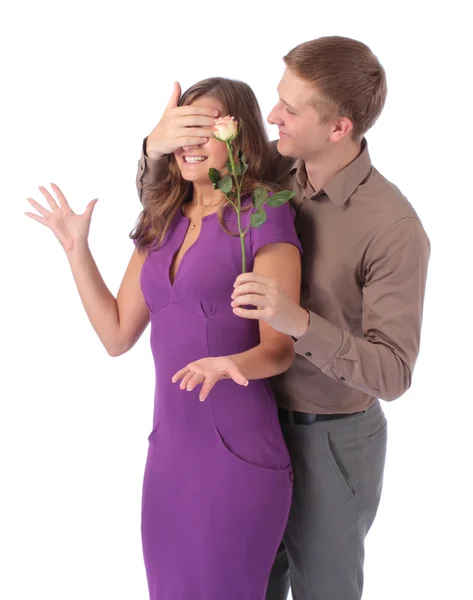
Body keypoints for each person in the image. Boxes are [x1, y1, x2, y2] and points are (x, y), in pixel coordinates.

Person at [135, 36, 431, 600]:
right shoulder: (273, 173)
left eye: (290, 109)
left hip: (331, 441)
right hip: (250, 429)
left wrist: (299, 322)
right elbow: (190, 184)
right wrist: (152, 147)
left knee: (324, 590)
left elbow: (394, 374)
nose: (273, 115)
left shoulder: (393, 228)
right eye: (277, 99)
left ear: (339, 127)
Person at [24, 78, 303, 600]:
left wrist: (228, 363)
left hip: (236, 457)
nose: (191, 141)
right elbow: (115, 334)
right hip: (170, 459)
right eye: (184, 127)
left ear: (239, 135)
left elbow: (280, 347)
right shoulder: (162, 216)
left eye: (207, 126)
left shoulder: (262, 212)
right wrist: (75, 250)